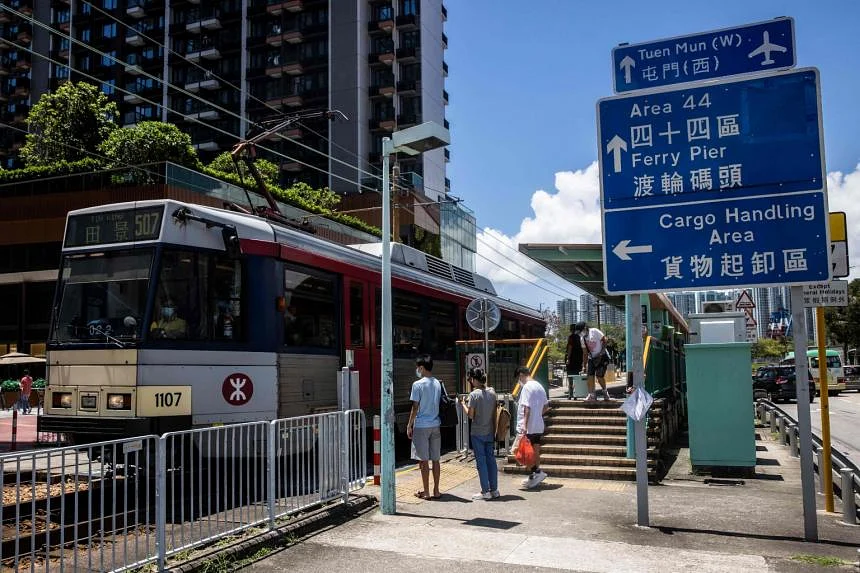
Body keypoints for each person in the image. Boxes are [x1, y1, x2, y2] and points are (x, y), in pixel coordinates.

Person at [406, 354, 442, 500]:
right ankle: (436, 490)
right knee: (436, 459)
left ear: (421, 367)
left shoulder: (418, 384)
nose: (417, 370)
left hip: (421, 426)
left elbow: (415, 407)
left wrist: (409, 425)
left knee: (424, 460)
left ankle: (426, 492)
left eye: (418, 367)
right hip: (435, 424)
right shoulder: (437, 383)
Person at [461, 367, 499, 501]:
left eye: (471, 379)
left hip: (477, 433)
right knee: (491, 461)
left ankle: (485, 491)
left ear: (474, 379)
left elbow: (471, 415)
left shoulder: (474, 395)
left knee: (481, 463)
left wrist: (463, 404)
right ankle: (494, 490)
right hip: (489, 431)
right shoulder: (492, 392)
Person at [514, 366, 549, 489]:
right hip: (538, 425)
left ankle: (537, 472)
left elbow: (526, 408)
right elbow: (546, 407)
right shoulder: (539, 386)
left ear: (522, 375)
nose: (519, 381)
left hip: (528, 427)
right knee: (535, 450)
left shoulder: (527, 387)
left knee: (521, 452)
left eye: (519, 377)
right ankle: (534, 475)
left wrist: (524, 425)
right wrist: (537, 416)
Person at [576, 321, 610, 402]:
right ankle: (592, 395)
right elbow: (584, 353)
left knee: (599, 377)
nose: (580, 334)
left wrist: (601, 353)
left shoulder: (594, 331)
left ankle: (605, 391)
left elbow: (605, 340)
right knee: (590, 376)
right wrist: (584, 365)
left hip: (602, 356)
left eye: (580, 331)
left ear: (584, 328)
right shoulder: (582, 338)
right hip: (592, 358)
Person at [564, 324, 586, 400]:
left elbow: (570, 348)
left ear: (571, 329)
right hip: (579, 360)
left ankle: (570, 395)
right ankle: (576, 394)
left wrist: (568, 358)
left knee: (570, 378)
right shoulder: (581, 337)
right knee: (577, 378)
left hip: (571, 361)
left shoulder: (571, 337)